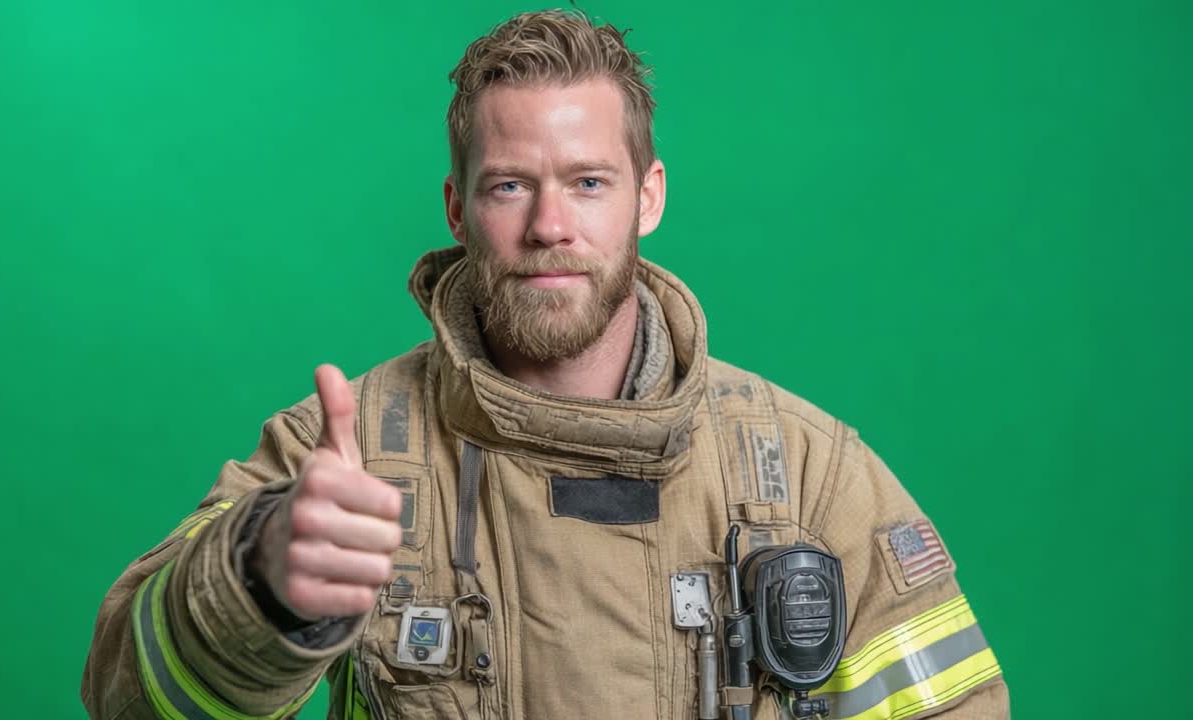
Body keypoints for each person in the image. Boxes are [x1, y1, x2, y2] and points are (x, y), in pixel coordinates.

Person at [82, 9, 1010, 720]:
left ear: (648, 197)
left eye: (589, 181)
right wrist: (262, 584)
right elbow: (127, 695)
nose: (551, 225)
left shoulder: (808, 477)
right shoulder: (344, 467)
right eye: (511, 184)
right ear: (458, 207)